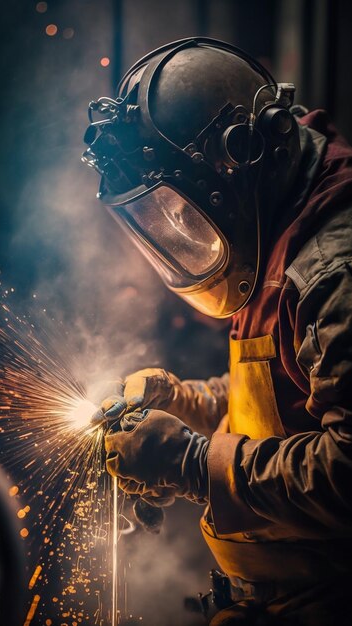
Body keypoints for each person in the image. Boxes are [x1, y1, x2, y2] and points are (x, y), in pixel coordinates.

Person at [82, 38, 352, 625]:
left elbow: (347, 469)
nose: (179, 228)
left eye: (186, 211)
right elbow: (290, 397)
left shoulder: (333, 270)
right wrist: (189, 403)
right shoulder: (276, 231)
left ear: (249, 157)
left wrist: (191, 463)